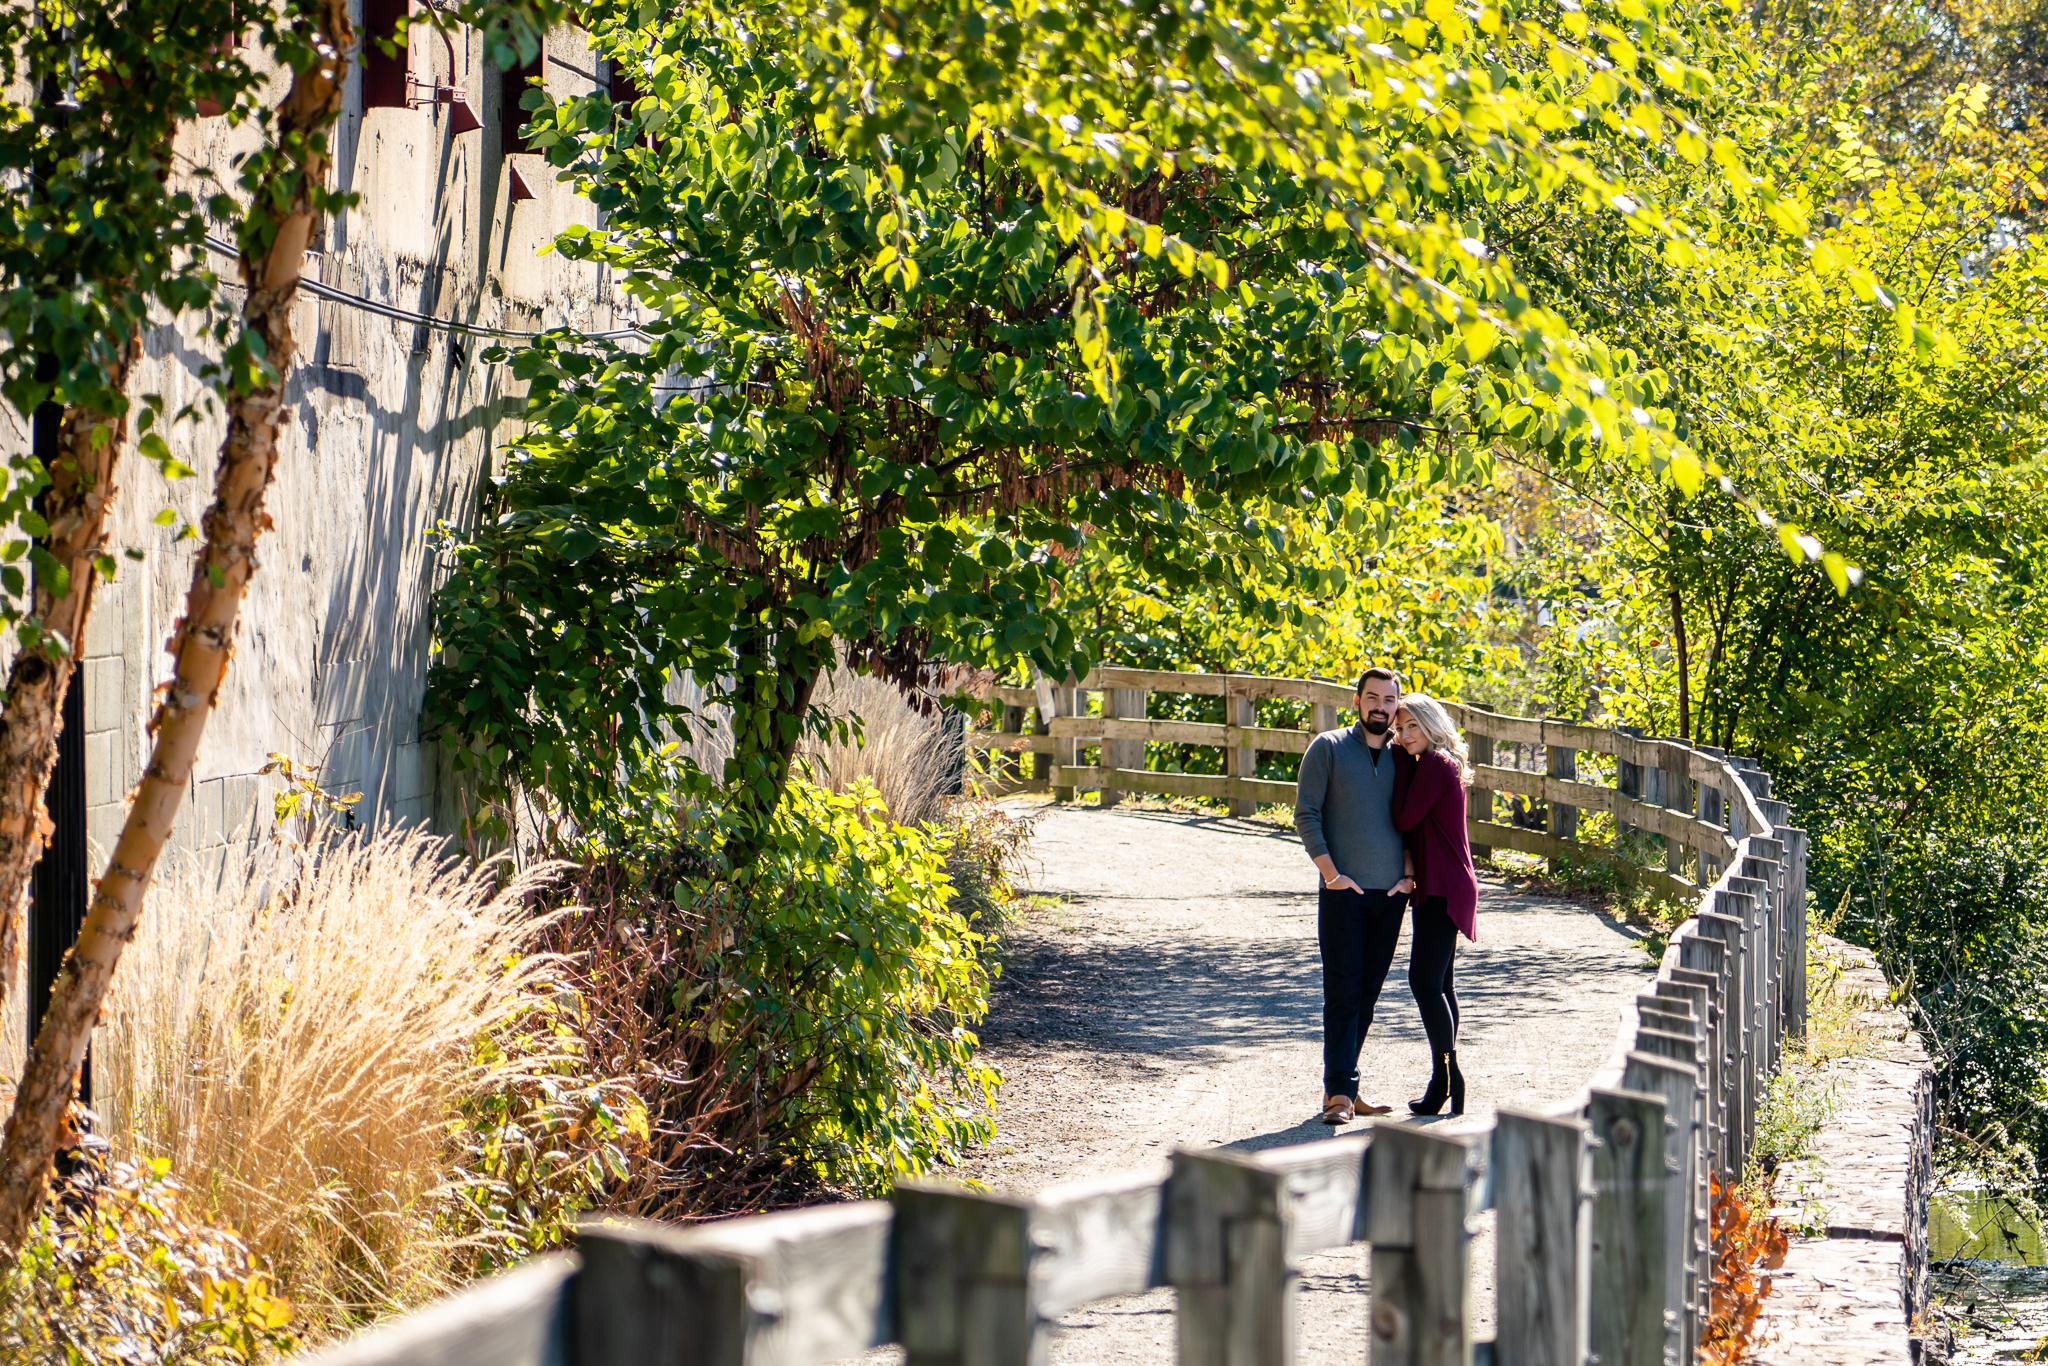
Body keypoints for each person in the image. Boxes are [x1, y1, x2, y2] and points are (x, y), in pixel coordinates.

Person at [1294, 667, 1417, 1125]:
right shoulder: (1327, 748)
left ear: (1397, 706)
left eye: (1389, 700)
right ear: (1356, 701)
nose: (1380, 707)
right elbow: (1306, 814)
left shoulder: (1406, 757)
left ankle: (1344, 1087)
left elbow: (1415, 822)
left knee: (1367, 995)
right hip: (1343, 892)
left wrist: (1408, 878)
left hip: (1391, 896)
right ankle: (1339, 1096)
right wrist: (1331, 875)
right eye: (1372, 698)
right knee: (1343, 993)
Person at [1391, 693, 1480, 1117]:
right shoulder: (1442, 763)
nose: (1404, 735)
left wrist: (1397, 758)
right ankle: (1445, 1080)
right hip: (1447, 881)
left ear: (1431, 725)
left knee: (1424, 982)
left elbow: (1403, 818)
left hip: (1443, 885)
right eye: (1399, 728)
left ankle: (1447, 1076)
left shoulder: (1433, 764)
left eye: (1412, 726)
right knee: (1441, 985)